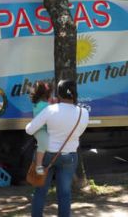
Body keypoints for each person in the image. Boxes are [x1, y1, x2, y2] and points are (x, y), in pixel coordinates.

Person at [25, 80, 89, 217]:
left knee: (40, 192)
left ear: (58, 94)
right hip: (70, 157)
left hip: (46, 155)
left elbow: (30, 130)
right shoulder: (83, 113)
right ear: (74, 94)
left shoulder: (50, 110)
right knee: (65, 194)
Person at [30, 81, 51, 175]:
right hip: (40, 129)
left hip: (47, 128)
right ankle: (38, 165)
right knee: (44, 143)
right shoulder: (43, 104)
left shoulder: (43, 103)